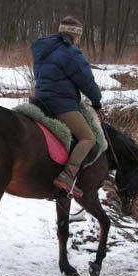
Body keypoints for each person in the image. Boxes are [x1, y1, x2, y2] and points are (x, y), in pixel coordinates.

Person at [30, 15, 103, 198]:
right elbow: (86, 80)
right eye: (79, 38)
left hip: (40, 100)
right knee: (89, 138)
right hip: (61, 103)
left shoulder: (43, 48)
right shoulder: (70, 52)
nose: (78, 41)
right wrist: (96, 99)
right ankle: (67, 176)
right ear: (75, 36)